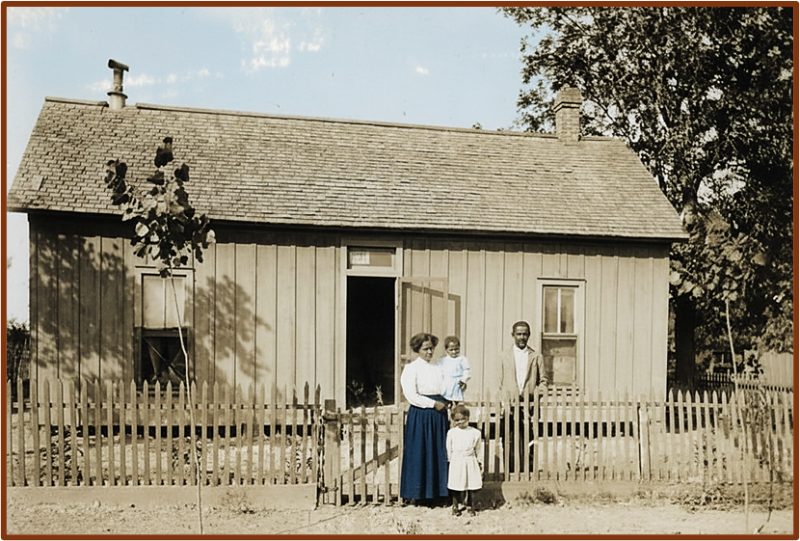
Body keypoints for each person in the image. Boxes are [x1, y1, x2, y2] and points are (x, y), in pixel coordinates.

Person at [399, 332, 450, 505]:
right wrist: (432, 404)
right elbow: (411, 395)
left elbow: (444, 387)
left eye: (432, 348)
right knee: (420, 452)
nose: (429, 352)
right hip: (421, 414)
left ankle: (439, 494)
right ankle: (418, 495)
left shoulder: (438, 367)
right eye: (425, 349)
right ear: (417, 350)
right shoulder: (411, 368)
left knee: (439, 451)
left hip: (439, 414)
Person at [497, 321, 549, 475]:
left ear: (529, 335)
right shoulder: (503, 356)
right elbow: (499, 382)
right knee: (509, 439)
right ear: (513, 335)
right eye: (518, 334)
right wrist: (503, 401)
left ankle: (528, 472)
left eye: (524, 334)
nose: (521, 337)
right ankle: (510, 472)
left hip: (529, 405)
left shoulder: (536, 356)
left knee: (529, 439)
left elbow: (544, 381)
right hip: (509, 405)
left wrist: (535, 394)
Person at [446, 405, 482, 516]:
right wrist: (451, 460)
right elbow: (449, 448)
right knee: (456, 485)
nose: (461, 422)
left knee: (471, 485)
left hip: (470, 460)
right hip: (457, 461)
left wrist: (478, 461)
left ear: (468, 418)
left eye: (463, 419)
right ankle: (455, 506)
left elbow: (478, 448)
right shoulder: (452, 433)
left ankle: (471, 506)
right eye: (457, 420)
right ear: (453, 420)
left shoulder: (475, 433)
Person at [439, 336, 471, 404]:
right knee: (445, 400)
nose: (454, 352)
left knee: (456, 400)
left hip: (457, 383)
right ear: (446, 350)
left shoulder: (462, 359)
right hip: (446, 383)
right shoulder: (442, 360)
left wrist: (463, 380)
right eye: (451, 350)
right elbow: (439, 372)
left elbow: (466, 370)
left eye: (456, 349)